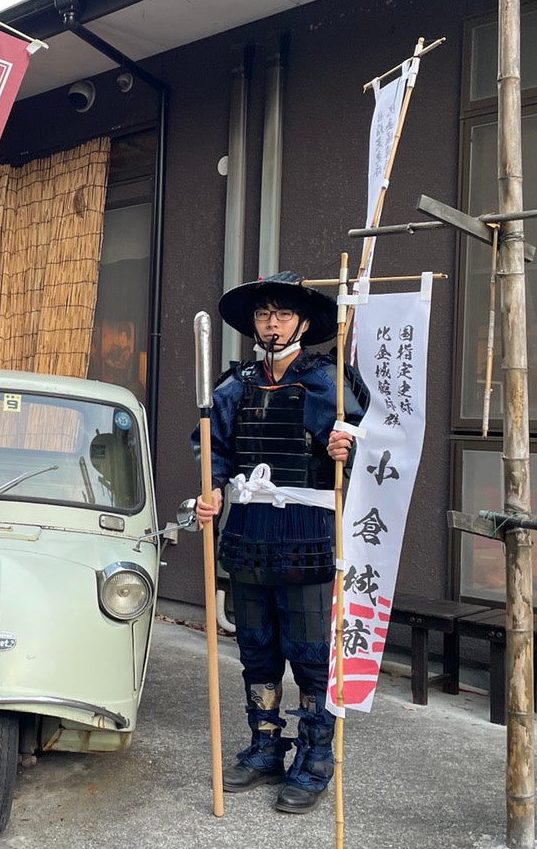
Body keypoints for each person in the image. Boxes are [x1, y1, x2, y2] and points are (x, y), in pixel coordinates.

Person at [190, 270, 367, 814]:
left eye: (283, 314)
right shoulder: (234, 384)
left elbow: (367, 453)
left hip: (309, 536)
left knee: (312, 655)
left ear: (304, 322)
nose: (272, 323)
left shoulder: (328, 382)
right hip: (248, 534)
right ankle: (266, 744)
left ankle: (315, 758)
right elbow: (213, 449)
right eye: (264, 314)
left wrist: (346, 449)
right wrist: (211, 490)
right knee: (257, 650)